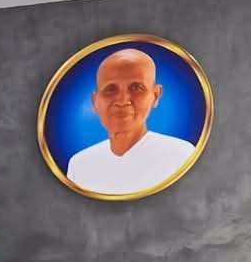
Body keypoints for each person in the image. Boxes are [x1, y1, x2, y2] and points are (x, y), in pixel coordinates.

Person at [63, 46, 198, 196]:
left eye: (136, 88)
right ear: (95, 102)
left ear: (155, 96)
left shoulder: (180, 156)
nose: (122, 100)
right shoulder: (80, 165)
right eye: (111, 89)